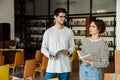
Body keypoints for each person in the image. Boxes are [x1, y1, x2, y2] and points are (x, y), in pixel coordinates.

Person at [41, 8, 75, 80]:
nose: (63, 19)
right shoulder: (48, 32)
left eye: (64, 17)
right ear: (55, 17)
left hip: (65, 66)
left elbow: (73, 46)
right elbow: (43, 48)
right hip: (52, 66)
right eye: (61, 16)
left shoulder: (69, 31)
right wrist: (49, 55)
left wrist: (68, 51)